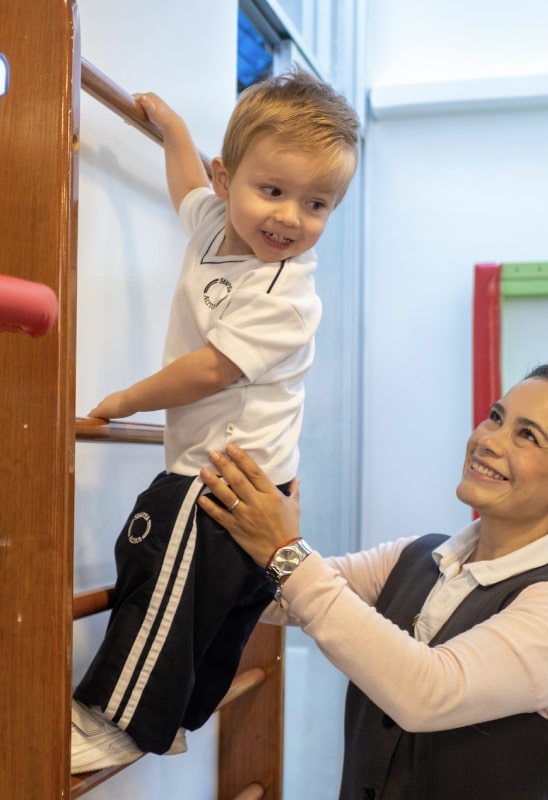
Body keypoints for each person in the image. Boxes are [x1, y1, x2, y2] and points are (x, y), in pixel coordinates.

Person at [70, 68, 360, 773]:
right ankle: (172, 717)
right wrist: (172, 130)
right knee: (210, 612)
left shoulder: (288, 294)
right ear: (229, 180)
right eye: (273, 191)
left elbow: (211, 369)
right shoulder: (213, 226)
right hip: (253, 477)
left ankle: (119, 721)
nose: (291, 218)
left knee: (156, 569)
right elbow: (186, 189)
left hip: (226, 478)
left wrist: (128, 398)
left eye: (317, 203)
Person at [198, 363, 548, 800]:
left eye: (527, 435)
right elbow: (282, 597)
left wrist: (286, 551)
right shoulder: (417, 556)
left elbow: (427, 691)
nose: (488, 440)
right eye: (496, 417)